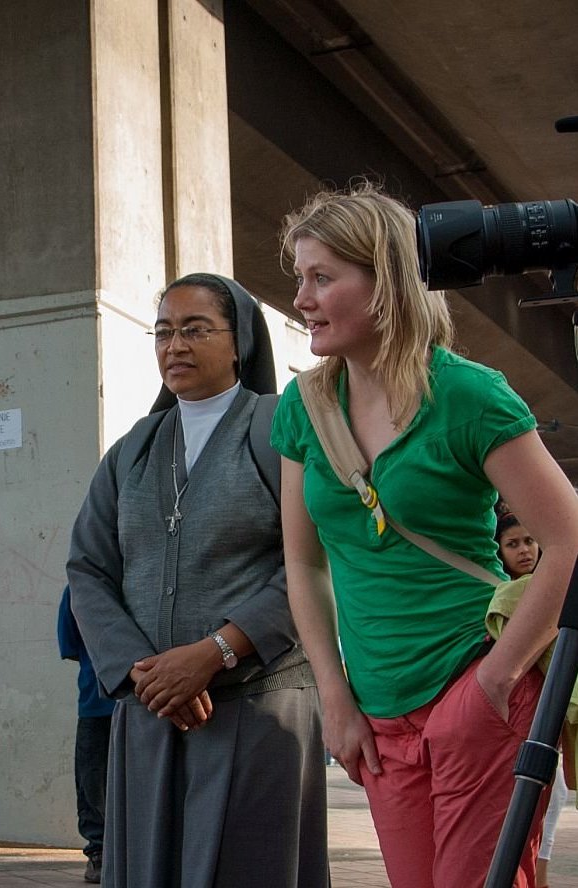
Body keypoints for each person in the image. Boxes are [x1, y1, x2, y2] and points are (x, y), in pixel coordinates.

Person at [272, 182, 578, 888]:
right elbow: (301, 563)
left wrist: (497, 676)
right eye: (299, 278)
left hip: (470, 689)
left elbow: (566, 539)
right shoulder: (304, 405)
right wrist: (336, 699)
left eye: (322, 277)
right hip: (376, 717)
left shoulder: (468, 395)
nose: (301, 298)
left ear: (387, 283)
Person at [67, 273, 327, 888]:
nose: (174, 346)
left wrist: (216, 652)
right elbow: (88, 568)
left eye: (194, 329)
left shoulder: (280, 429)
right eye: (162, 332)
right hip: (153, 711)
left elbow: (318, 560)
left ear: (239, 343)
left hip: (259, 706)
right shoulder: (132, 448)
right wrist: (142, 669)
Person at [494, 511, 566, 887]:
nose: (524, 550)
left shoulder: (554, 591)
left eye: (529, 541)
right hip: (521, 724)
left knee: (547, 823)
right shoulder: (500, 599)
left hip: (553, 723)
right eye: (513, 544)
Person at [56, 585, 113, 883]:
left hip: (100, 699)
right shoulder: (78, 586)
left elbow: (71, 647)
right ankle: (101, 851)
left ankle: (102, 851)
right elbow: (71, 645)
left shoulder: (79, 586)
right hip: (111, 702)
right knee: (93, 779)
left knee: (93, 780)